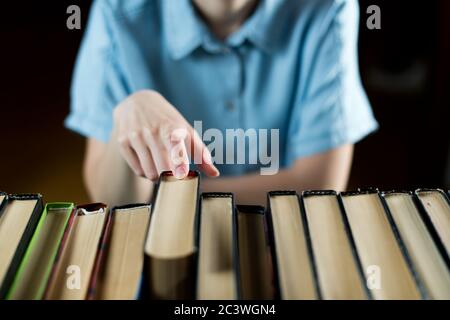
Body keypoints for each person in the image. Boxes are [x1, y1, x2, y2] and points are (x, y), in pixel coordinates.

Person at [66, 0, 378, 205]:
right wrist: (129, 113)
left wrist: (165, 198)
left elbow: (319, 185)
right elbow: (110, 200)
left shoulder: (326, 6)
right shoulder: (117, 10)